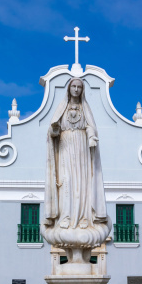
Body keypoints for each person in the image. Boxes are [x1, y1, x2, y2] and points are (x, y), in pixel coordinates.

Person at [44, 78, 108, 232]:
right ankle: (65, 217)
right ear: (69, 88)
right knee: (67, 182)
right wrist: (54, 130)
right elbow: (52, 131)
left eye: (79, 87)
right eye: (74, 86)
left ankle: (83, 217)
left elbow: (90, 126)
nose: (76, 89)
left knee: (82, 182)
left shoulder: (85, 108)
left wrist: (92, 137)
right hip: (65, 147)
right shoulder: (62, 108)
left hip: (82, 149)